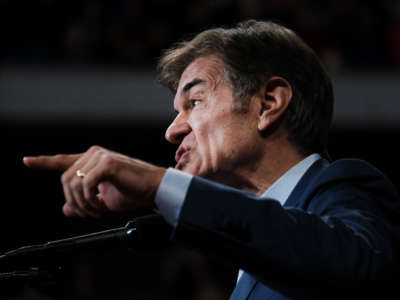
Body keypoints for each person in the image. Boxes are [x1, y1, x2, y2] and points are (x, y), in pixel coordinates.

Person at [23, 20, 400, 299]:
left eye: (195, 102)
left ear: (268, 104)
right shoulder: (247, 247)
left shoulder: (345, 187)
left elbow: (355, 265)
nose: (172, 130)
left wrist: (159, 185)